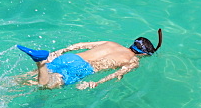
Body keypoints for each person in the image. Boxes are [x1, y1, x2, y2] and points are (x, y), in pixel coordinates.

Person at [13, 29, 162, 90]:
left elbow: (82, 45)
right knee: (45, 86)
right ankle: (40, 62)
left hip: (71, 57)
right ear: (143, 54)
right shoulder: (133, 61)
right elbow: (116, 74)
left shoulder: (111, 43)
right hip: (82, 68)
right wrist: (96, 82)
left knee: (28, 76)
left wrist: (61, 51)